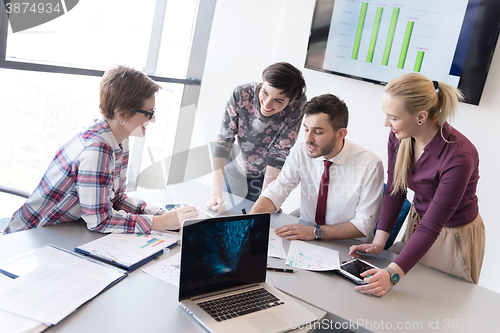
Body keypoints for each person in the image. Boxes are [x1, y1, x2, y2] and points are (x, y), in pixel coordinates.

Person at [5, 66, 198, 234]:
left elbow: (116, 198)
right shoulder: (98, 149)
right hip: (29, 237)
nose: (153, 119)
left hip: (59, 232)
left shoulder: (119, 138)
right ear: (122, 114)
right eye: (149, 113)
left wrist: (160, 214)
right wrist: (161, 223)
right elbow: (100, 220)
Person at [349, 73, 485, 296]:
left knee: (442, 304)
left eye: (392, 117)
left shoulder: (460, 157)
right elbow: (395, 190)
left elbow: (433, 225)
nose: (385, 123)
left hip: (454, 236)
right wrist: (379, 241)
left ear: (421, 116)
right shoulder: (400, 136)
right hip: (419, 224)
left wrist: (392, 274)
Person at [250, 94, 384, 242]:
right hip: (306, 239)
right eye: (306, 129)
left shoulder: (370, 165)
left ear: (341, 134)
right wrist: (250, 223)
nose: (308, 139)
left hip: (348, 245)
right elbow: (277, 190)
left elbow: (364, 224)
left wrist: (316, 232)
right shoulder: (302, 152)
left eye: (318, 132)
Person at [207, 62, 307, 212]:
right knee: (227, 214)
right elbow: (223, 143)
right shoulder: (242, 94)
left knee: (256, 220)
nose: (267, 104)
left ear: (292, 100)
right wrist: (216, 195)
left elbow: (279, 153)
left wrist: (268, 198)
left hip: (268, 173)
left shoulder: (297, 106)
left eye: (278, 100)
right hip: (236, 167)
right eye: (265, 92)